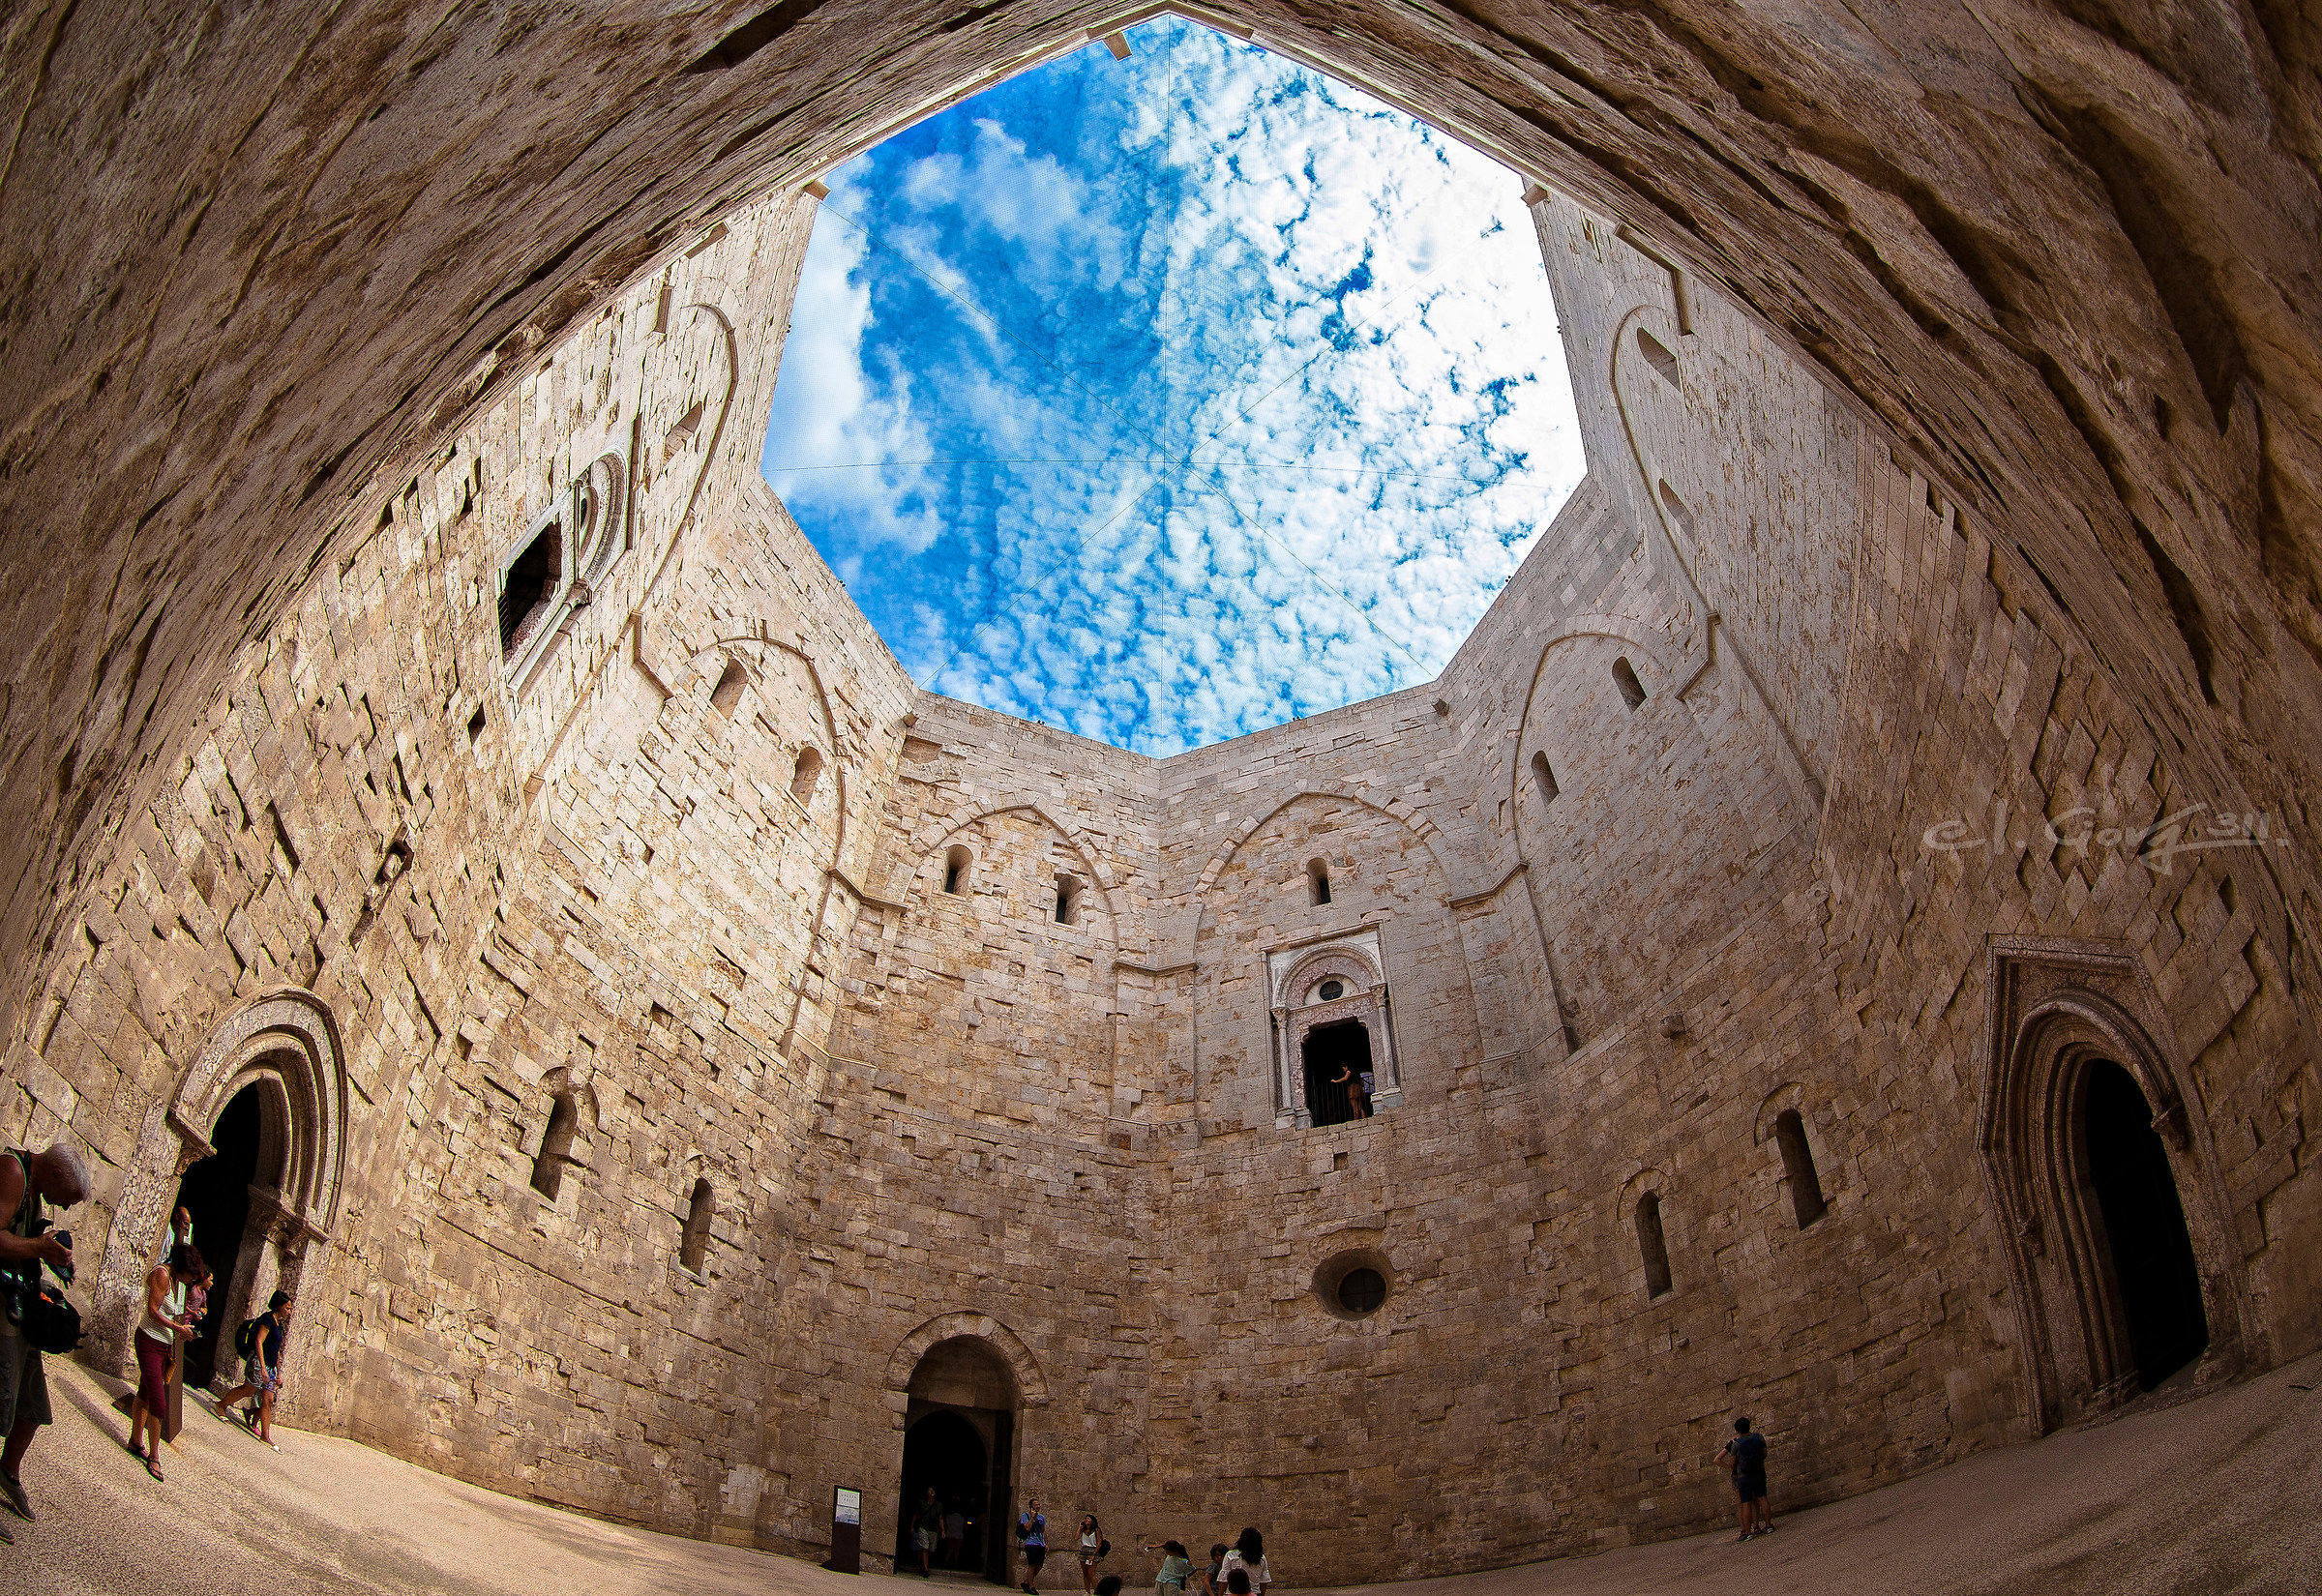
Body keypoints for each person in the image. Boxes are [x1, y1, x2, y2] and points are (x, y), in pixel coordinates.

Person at [0, 1141, 90, 1540]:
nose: (66, 1208)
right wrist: (38, 1246)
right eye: (68, 1199)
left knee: (32, 1405)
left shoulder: (33, 1191)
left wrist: (48, 1252)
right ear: (53, 1174)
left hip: (18, 1308)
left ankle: (7, 1472)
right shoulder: (13, 1173)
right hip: (1, 1309)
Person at [127, 1243, 202, 1482]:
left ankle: (136, 1440)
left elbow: (170, 1312)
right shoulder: (161, 1274)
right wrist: (176, 1327)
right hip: (149, 1341)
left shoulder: (177, 1281)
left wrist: (183, 1326)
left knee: (145, 1393)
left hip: (163, 1344)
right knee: (159, 1403)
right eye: (190, 1274)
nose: (191, 1280)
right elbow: (152, 1310)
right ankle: (154, 1455)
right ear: (181, 1267)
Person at [214, 1291, 293, 1450]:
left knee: (268, 1400)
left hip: (270, 1367)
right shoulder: (267, 1320)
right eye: (288, 1308)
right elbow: (258, 1341)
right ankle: (221, 1406)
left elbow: (276, 1350)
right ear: (279, 1306)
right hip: (259, 1362)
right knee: (248, 1390)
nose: (289, 1311)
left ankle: (265, 1435)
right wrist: (262, 1367)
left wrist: (277, 1373)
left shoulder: (279, 1325)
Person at [1721, 1415, 1771, 1541]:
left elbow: (1733, 1463)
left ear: (1737, 1430)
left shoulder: (1736, 1444)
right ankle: (1768, 1525)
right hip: (1759, 1472)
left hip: (1744, 1477)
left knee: (1746, 1504)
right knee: (1763, 1498)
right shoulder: (1759, 1437)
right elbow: (1764, 1454)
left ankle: (1748, 1532)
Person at [1218, 1528, 1270, 1596]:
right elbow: (1263, 1582)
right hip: (1255, 1593)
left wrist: (1220, 1594)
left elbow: (1223, 1581)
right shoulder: (1261, 1558)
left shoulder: (1231, 1555)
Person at [1015, 1497, 1047, 1593]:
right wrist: (1032, 1518)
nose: (1038, 1506)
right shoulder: (1026, 1516)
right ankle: (1031, 1586)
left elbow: (1043, 1531)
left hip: (1040, 1543)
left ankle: (1026, 1582)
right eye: (1036, 1504)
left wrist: (1045, 1543)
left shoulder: (1041, 1517)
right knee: (1032, 1565)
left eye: (1038, 1504)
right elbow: (1027, 1528)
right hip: (1030, 1543)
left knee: (1039, 1565)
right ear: (1031, 1506)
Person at [911, 1485, 942, 1576]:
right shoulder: (922, 1503)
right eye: (929, 1490)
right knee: (925, 1548)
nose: (931, 1492)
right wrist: (912, 1526)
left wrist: (943, 1530)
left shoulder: (938, 1505)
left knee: (930, 1549)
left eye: (933, 1490)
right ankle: (925, 1569)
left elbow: (941, 1518)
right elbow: (916, 1515)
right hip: (923, 1527)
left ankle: (922, 1563)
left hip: (933, 1530)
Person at [1078, 1513, 1104, 1592]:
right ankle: (1087, 1592)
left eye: (1088, 1519)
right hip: (1083, 1552)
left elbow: (1099, 1543)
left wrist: (1093, 1555)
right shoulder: (1083, 1530)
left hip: (1092, 1551)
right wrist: (1079, 1527)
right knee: (1085, 1573)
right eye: (1086, 1518)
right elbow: (1076, 1537)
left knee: (1091, 1573)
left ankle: (1097, 1592)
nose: (1086, 1520)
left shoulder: (1096, 1530)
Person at [941, 1500, 967, 1568]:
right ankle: (955, 1563)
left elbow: (945, 1526)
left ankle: (945, 1562)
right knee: (956, 1550)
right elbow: (965, 1527)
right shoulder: (962, 1518)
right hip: (959, 1536)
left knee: (950, 1549)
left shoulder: (949, 1517)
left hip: (950, 1535)